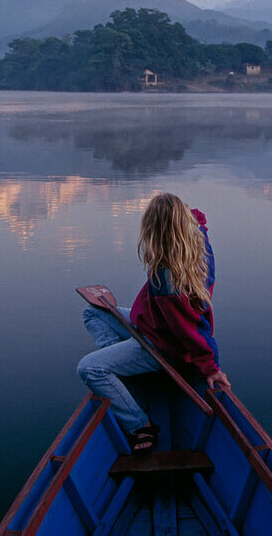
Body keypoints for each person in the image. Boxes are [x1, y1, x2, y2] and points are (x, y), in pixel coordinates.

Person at [77, 192, 229, 453]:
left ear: (155, 231)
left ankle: (139, 424)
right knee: (94, 312)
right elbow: (199, 218)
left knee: (89, 369)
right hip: (151, 326)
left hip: (163, 347)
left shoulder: (166, 279)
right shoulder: (200, 239)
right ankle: (122, 363)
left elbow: (189, 329)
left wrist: (210, 367)